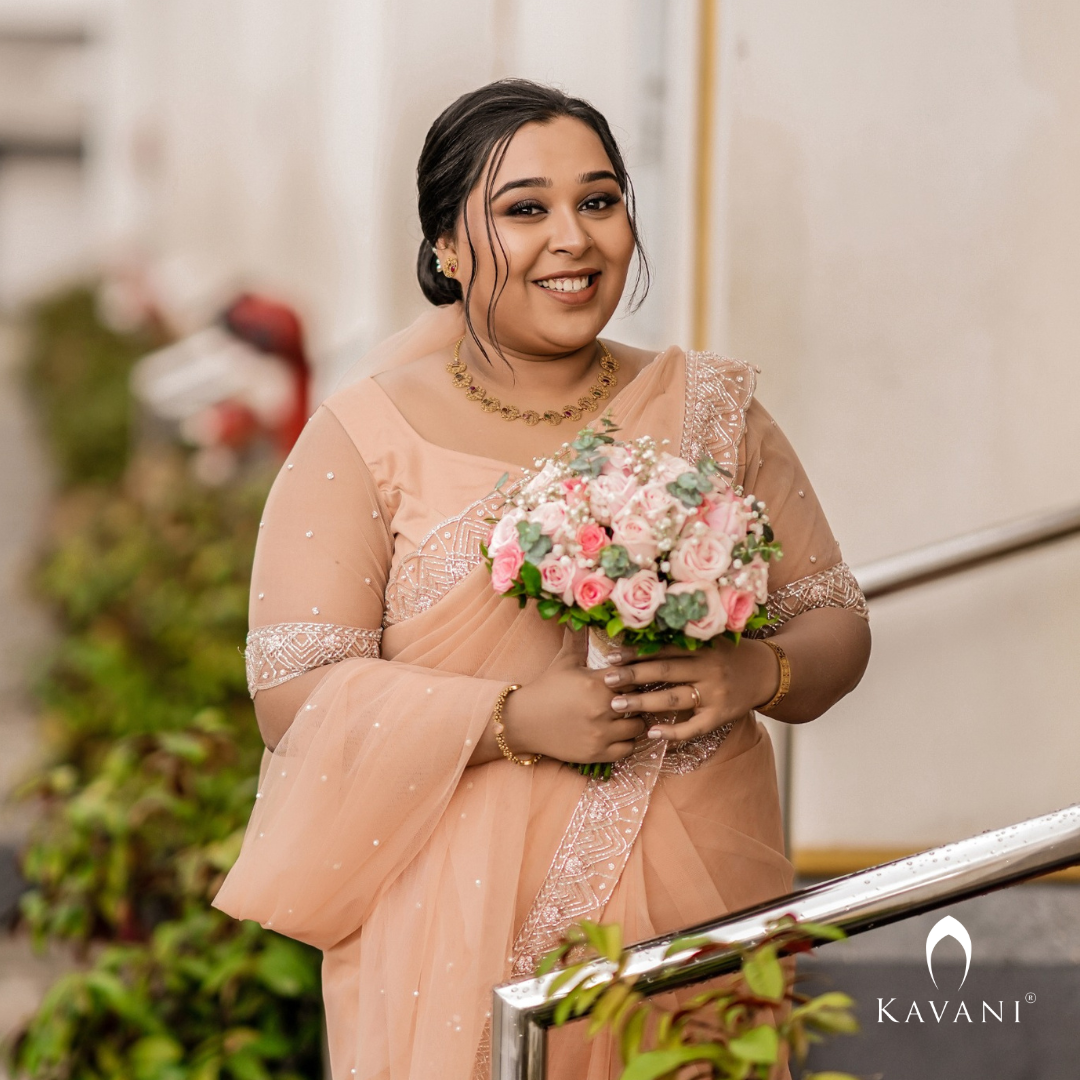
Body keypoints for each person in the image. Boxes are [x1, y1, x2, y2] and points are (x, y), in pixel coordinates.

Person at [213, 79, 871, 1080]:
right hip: (454, 917)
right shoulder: (364, 435)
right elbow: (293, 695)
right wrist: (510, 720)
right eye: (525, 209)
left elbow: (835, 624)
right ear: (443, 246)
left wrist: (753, 676)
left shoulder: (709, 411)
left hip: (695, 885)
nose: (574, 238)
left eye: (600, 202)